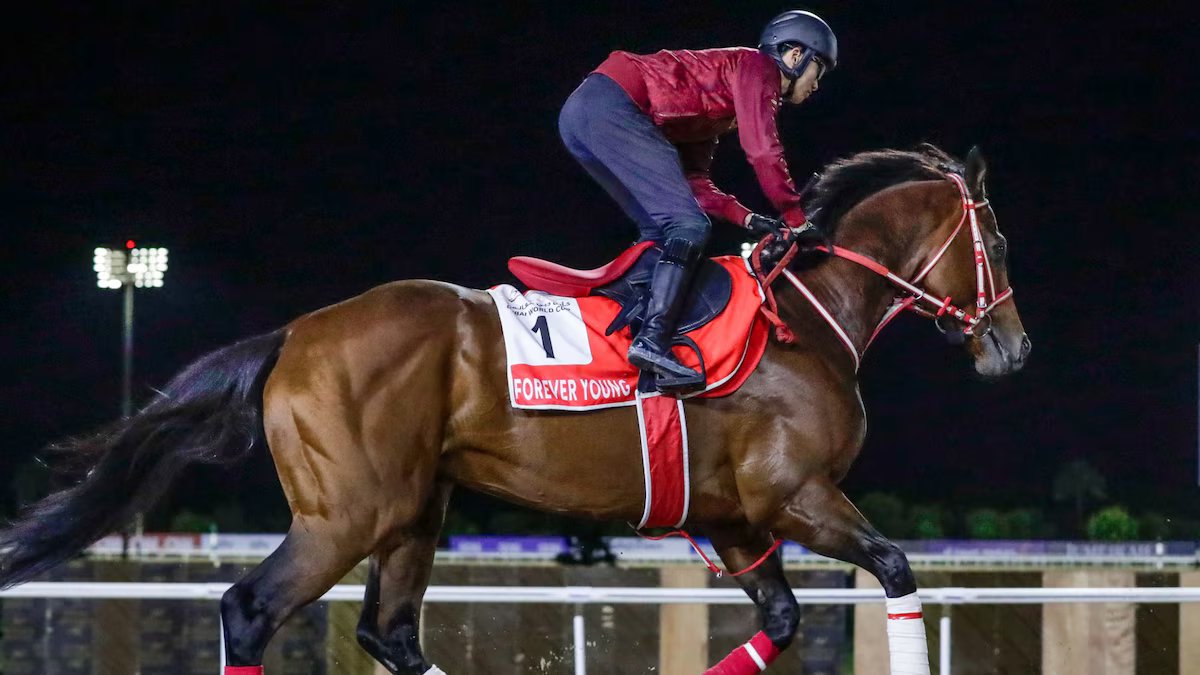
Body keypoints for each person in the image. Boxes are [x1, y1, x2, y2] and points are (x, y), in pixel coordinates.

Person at [558, 9, 837, 391]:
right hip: (611, 105)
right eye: (819, 69)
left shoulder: (716, 108)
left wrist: (749, 219)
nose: (817, 84)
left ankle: (632, 322)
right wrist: (795, 217)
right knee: (687, 226)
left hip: (584, 114)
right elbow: (762, 151)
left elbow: (695, 184)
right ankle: (652, 342)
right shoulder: (758, 68)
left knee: (661, 229)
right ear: (795, 55)